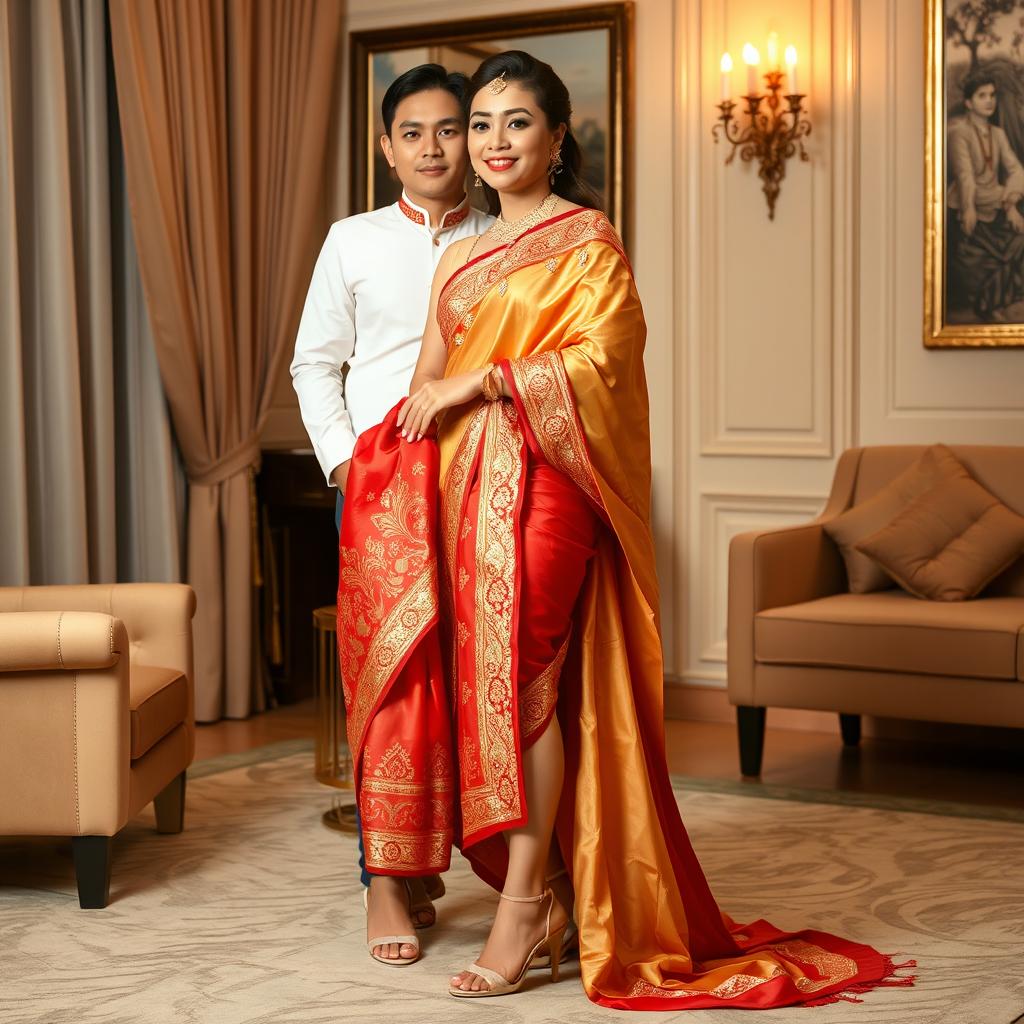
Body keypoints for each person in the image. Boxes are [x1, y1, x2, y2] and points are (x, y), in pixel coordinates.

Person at [344, 49, 915, 1008]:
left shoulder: (587, 241)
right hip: (456, 494)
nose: (491, 142)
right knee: (477, 684)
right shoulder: (459, 256)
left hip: (550, 486)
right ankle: (549, 885)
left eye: (515, 122)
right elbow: (420, 396)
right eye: (479, 124)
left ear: (557, 138)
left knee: (525, 678)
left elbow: (604, 366)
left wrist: (485, 382)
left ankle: (525, 905)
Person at [289, 63, 492, 967]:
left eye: (450, 129)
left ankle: (457, 862)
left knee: (473, 676)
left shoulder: (508, 237)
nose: (433, 148)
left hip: (488, 479)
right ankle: (385, 877)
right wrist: (344, 461)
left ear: (476, 139)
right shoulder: (353, 239)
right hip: (378, 486)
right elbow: (313, 364)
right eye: (412, 133)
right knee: (390, 679)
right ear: (386, 148)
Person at [947, 71, 1024, 320]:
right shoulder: (959, 133)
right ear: (969, 103)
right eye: (982, 96)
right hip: (967, 205)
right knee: (980, 262)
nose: (990, 101)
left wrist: (1011, 201)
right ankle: (989, 306)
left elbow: (1016, 169)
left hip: (996, 202)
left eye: (992, 95)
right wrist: (968, 208)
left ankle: (994, 303)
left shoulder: (998, 134)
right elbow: (965, 176)